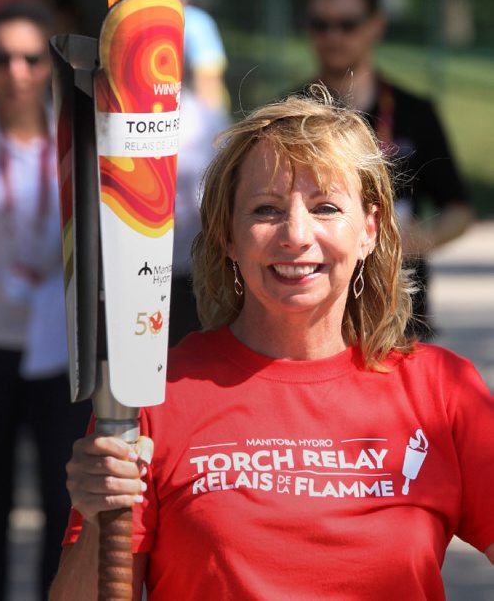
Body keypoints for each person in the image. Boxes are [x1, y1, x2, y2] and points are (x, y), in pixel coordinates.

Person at [50, 93, 493, 600]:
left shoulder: (443, 392)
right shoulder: (152, 396)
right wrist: (96, 509)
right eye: (266, 209)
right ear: (228, 237)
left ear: (369, 230)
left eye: (326, 207)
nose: (295, 235)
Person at [301, 0, 473, 339]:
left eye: (347, 24)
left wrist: (410, 243)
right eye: (320, 24)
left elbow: (458, 211)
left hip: (399, 314)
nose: (333, 36)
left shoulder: (415, 113)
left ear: (375, 25)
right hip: (310, 320)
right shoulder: (288, 114)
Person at [0, 1, 90, 600]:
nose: (17, 71)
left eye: (32, 57)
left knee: (63, 504)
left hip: (59, 348)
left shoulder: (75, 142)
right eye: (1, 58)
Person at [140, 0, 231, 345]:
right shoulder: (142, 22)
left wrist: (202, 123)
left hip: (189, 268)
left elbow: (209, 80)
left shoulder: (196, 23)